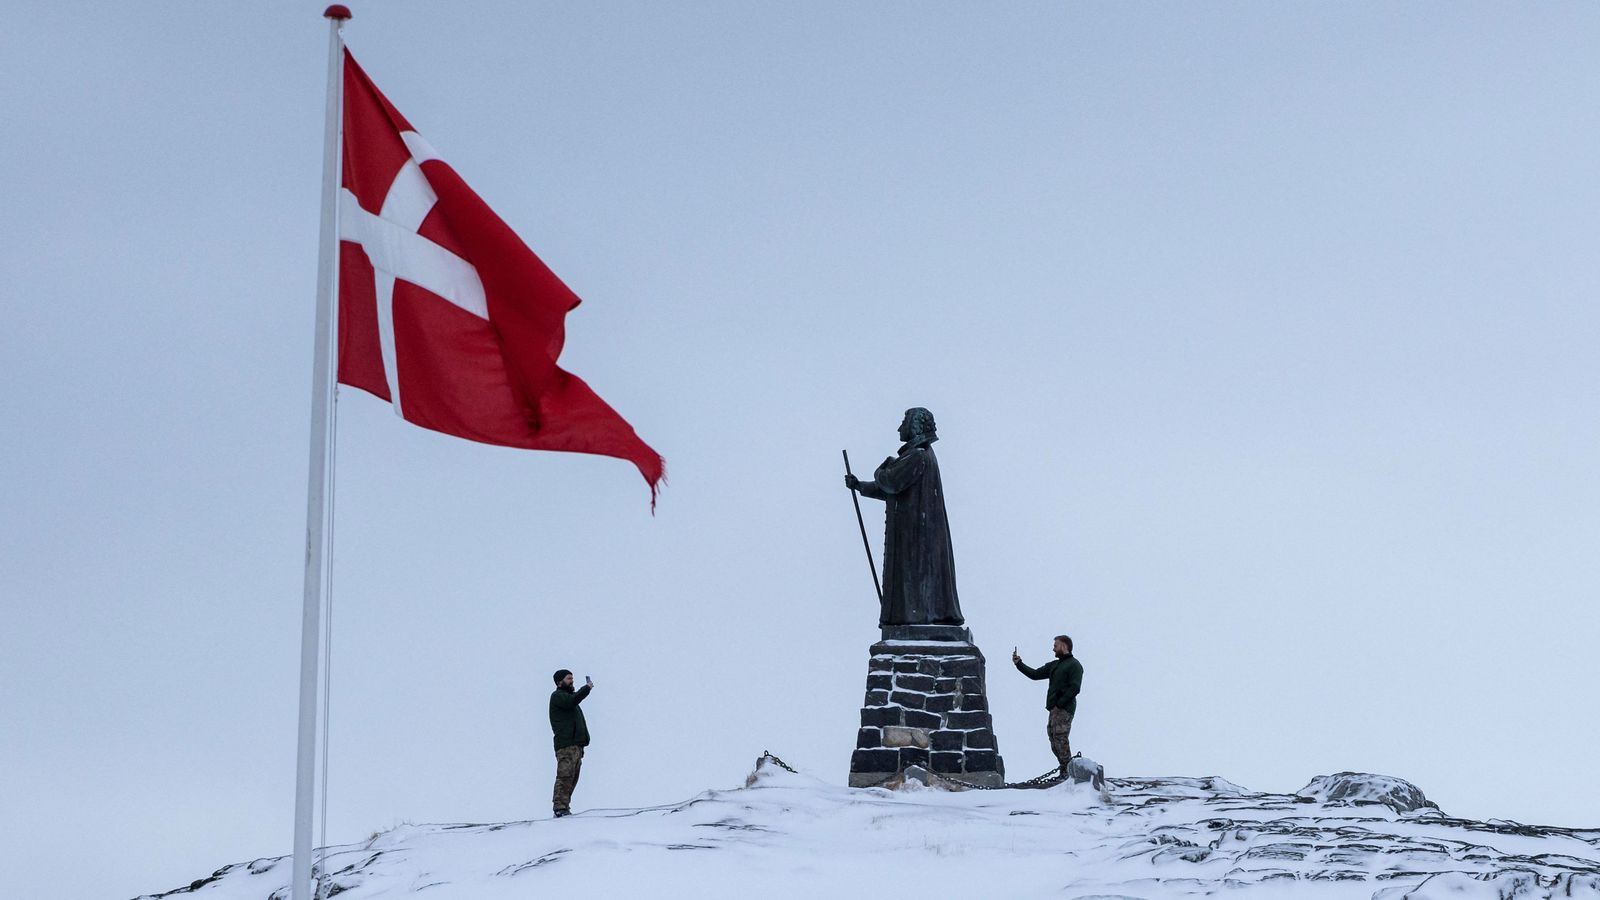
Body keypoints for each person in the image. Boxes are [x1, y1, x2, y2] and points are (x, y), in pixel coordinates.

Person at [843, 407, 965, 627]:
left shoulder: (917, 455)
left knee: (914, 576)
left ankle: (916, 617)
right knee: (915, 577)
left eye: (904, 422)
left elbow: (890, 481)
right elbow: (895, 488)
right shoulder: (920, 454)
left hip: (916, 532)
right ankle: (916, 616)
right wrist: (860, 486)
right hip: (918, 529)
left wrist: (883, 468)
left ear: (915, 426)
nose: (900, 427)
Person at [1012, 636, 1083, 774]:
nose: (1053, 649)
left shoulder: (1074, 665)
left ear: (1063, 646)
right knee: (1053, 739)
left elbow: (1075, 687)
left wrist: (1061, 703)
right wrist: (1019, 664)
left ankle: (1068, 772)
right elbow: (1035, 674)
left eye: (1055, 646)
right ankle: (1065, 770)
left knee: (1060, 737)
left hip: (1064, 708)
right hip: (1054, 709)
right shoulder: (1054, 665)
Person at [549, 669, 594, 818]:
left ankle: (564, 807)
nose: (572, 681)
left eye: (572, 678)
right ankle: (560, 808)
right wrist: (586, 688)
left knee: (572, 779)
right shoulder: (558, 697)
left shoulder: (569, 699)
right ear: (559, 681)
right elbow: (572, 700)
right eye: (568, 678)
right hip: (566, 745)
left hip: (576, 746)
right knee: (565, 776)